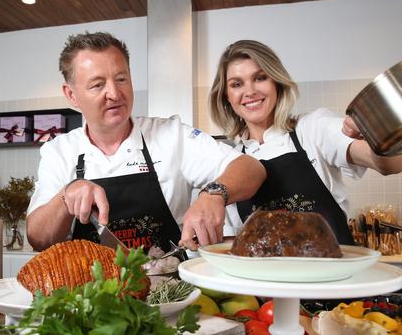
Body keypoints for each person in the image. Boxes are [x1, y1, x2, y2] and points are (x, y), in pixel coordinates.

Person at [26, 32, 265, 252]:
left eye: (121, 79)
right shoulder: (59, 151)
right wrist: (66, 196)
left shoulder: (171, 135)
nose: (114, 93)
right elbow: (38, 238)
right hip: (91, 295)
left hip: (168, 291)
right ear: (71, 95)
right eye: (98, 85)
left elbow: (251, 168)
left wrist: (215, 194)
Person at [209, 40, 402, 245]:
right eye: (237, 84)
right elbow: (231, 243)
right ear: (226, 96)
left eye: (260, 78)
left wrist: (374, 135)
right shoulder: (231, 164)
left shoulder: (312, 128)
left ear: (277, 83)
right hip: (267, 276)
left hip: (332, 272)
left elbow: (392, 165)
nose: (249, 92)